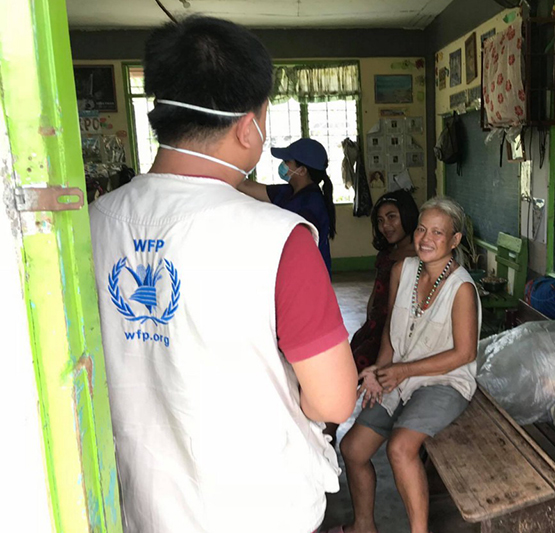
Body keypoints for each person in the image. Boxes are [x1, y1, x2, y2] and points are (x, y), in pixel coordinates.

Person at [88, 16, 357, 533]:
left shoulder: (91, 225)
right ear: (248, 124)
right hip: (260, 508)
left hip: (141, 505)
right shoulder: (281, 239)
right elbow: (334, 398)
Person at [339, 197, 482, 533]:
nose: (425, 238)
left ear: (454, 240)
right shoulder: (402, 270)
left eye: (437, 232)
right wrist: (378, 371)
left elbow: (465, 354)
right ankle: (363, 526)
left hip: (443, 381)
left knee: (401, 448)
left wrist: (402, 371)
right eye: (421, 228)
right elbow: (392, 328)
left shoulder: (461, 288)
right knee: (353, 449)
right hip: (401, 377)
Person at [238, 138, 336, 276]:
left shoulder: (310, 205)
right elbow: (246, 186)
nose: (283, 165)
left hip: (308, 278)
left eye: (287, 162)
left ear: (302, 170)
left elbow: (301, 251)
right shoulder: (288, 192)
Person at [351, 190, 419, 373]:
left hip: (396, 333)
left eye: (391, 217)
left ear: (408, 216)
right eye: (380, 221)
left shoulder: (420, 257)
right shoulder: (387, 254)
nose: (385, 226)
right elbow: (376, 293)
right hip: (375, 329)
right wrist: (369, 325)